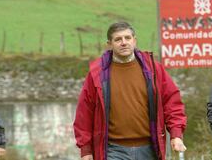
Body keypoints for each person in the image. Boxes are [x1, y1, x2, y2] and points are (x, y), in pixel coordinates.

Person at [73, 22, 187, 160]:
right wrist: (86, 150)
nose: (124, 42)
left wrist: (176, 135)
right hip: (113, 150)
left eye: (127, 38)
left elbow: (172, 103)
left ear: (134, 40)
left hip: (150, 148)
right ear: (109, 44)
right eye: (118, 39)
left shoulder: (154, 69)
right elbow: (84, 113)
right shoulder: (97, 74)